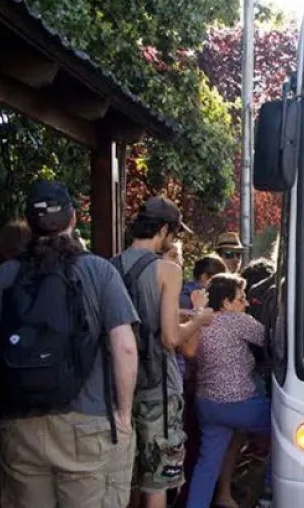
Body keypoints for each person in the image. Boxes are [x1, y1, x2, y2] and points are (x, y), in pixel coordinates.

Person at [0, 180, 139, 508]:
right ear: (73, 218)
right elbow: (125, 347)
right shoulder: (98, 271)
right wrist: (123, 414)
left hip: (20, 425)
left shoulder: (2, 278)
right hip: (87, 425)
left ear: (29, 224)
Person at [111, 197, 215, 508]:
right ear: (164, 230)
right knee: (156, 479)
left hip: (118, 386)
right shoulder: (167, 270)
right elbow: (170, 338)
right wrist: (199, 319)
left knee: (124, 476)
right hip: (158, 386)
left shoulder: (109, 266)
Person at [187, 274, 271, 508]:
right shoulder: (237, 321)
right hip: (241, 403)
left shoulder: (201, 320)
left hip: (208, 405)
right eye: (241, 299)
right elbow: (271, 340)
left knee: (207, 465)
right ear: (225, 303)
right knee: (287, 429)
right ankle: (269, 492)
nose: (246, 304)